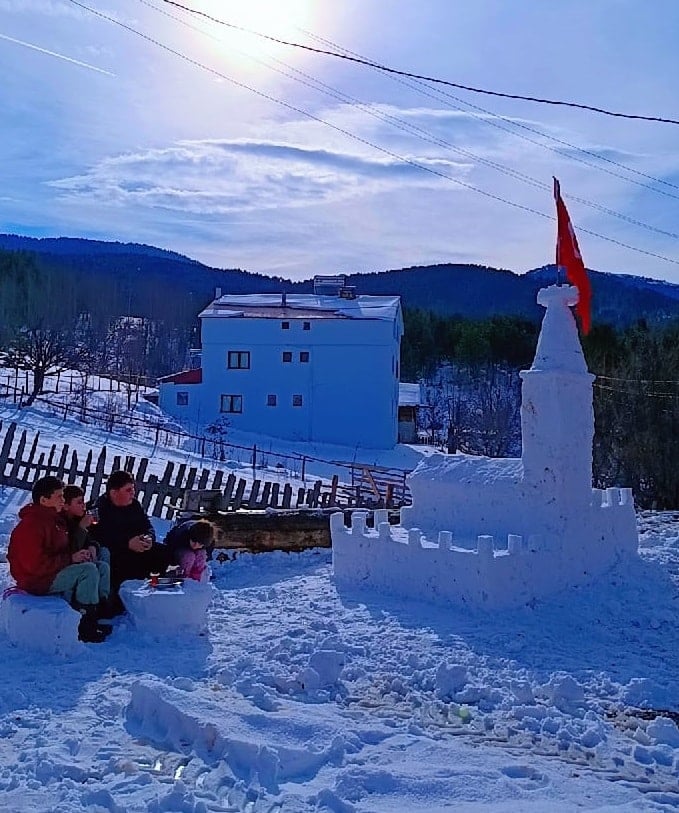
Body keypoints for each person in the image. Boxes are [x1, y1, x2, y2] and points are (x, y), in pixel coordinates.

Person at [7, 476, 111, 643]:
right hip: (37, 580)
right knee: (88, 571)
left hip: (53, 571)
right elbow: (34, 565)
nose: (63, 500)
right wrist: (70, 558)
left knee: (99, 566)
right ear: (44, 500)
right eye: (59, 496)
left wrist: (79, 555)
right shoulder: (31, 525)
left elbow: (61, 548)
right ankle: (85, 627)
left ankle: (95, 616)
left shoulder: (54, 519)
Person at [89, 470, 169, 601]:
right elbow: (99, 536)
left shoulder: (135, 505)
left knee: (163, 553)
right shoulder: (99, 509)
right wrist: (127, 543)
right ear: (114, 493)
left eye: (133, 489)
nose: (133, 493)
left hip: (139, 547)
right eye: (128, 490)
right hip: (116, 552)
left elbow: (147, 525)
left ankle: (155, 594)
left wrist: (149, 538)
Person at [62, 484, 111, 612]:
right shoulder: (63, 523)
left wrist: (92, 546)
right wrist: (82, 528)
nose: (83, 505)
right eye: (79, 502)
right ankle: (86, 608)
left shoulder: (78, 518)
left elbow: (91, 539)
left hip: (82, 557)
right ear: (66, 506)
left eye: (83, 501)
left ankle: (102, 602)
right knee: (92, 568)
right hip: (67, 563)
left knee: (103, 565)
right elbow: (70, 547)